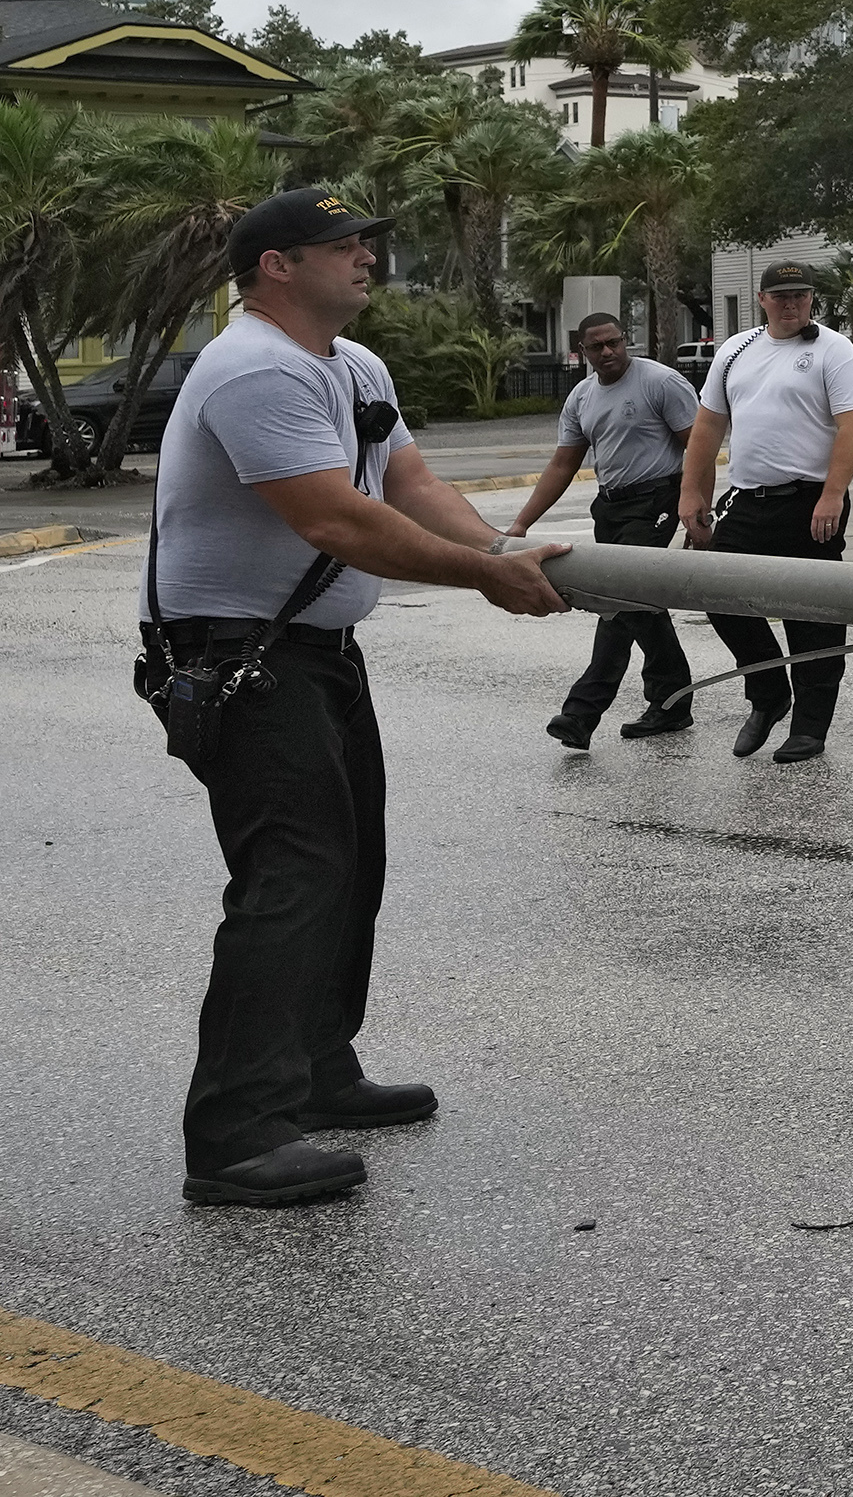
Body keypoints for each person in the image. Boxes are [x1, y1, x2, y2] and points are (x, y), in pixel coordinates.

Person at [144, 186, 569, 1208]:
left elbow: (409, 485)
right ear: (277, 266)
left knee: (348, 865)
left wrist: (502, 546)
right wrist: (486, 577)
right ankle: (235, 1133)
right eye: (343, 245)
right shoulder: (254, 366)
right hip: (241, 656)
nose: (367, 257)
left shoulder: (354, 365)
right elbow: (334, 519)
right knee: (293, 875)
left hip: (315, 652)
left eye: (366, 243)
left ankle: (316, 1069)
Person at [676, 260, 853, 764]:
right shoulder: (736, 350)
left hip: (811, 501)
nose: (792, 303)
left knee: (813, 614)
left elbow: (852, 426)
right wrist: (692, 493)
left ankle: (809, 728)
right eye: (781, 296)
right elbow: (707, 427)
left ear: (811, 299)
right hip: (748, 499)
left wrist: (833, 494)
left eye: (801, 295)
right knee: (717, 591)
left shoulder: (835, 351)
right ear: (762, 299)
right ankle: (768, 692)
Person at [502, 310, 699, 748]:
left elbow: (699, 447)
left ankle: (582, 712)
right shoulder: (582, 397)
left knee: (619, 596)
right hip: (611, 506)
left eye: (614, 342)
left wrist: (696, 508)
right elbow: (562, 465)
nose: (608, 351)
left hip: (656, 500)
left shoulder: (660, 382)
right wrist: (521, 523)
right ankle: (672, 702)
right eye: (597, 346)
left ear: (625, 339)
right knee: (634, 603)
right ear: (582, 351)